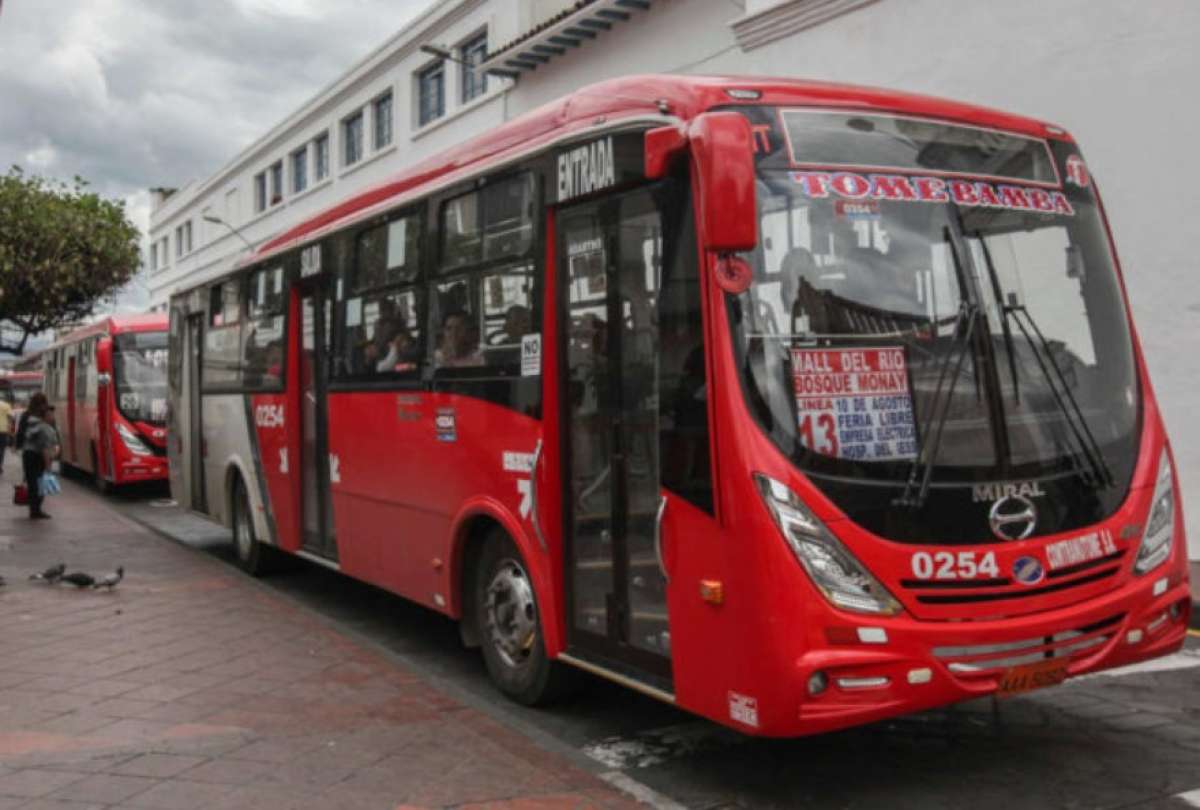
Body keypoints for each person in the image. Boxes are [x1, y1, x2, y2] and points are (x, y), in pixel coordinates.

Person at [20, 393, 58, 520]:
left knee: (32, 482)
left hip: (28, 453)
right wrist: (49, 464)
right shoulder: (44, 424)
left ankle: (34, 509)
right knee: (39, 482)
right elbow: (46, 445)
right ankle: (36, 510)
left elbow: (21, 433)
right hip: (37, 455)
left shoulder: (27, 417)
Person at [0, 391, 12, 475]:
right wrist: (10, 429)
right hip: (3, 430)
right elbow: (10, 417)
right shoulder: (6, 405)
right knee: (1, 449)